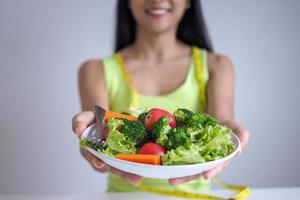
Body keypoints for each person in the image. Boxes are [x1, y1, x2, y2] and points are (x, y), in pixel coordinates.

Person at [72, 0, 249, 193]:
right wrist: (89, 144)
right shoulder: (94, 70)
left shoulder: (217, 66)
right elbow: (97, 146)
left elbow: (220, 134)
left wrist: (232, 143)